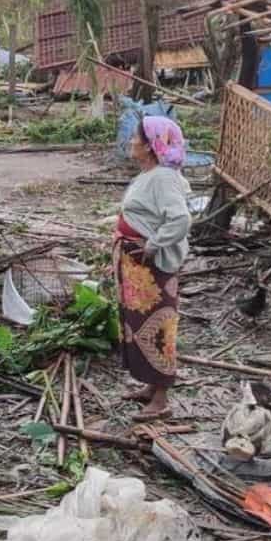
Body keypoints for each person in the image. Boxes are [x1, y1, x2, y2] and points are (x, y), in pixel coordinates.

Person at [115, 115, 192, 419]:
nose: (131, 141)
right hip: (138, 267)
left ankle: (161, 401)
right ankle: (150, 386)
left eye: (136, 137)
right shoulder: (149, 174)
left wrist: (153, 244)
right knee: (139, 325)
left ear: (150, 146)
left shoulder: (163, 177)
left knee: (157, 327)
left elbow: (180, 219)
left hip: (151, 267)